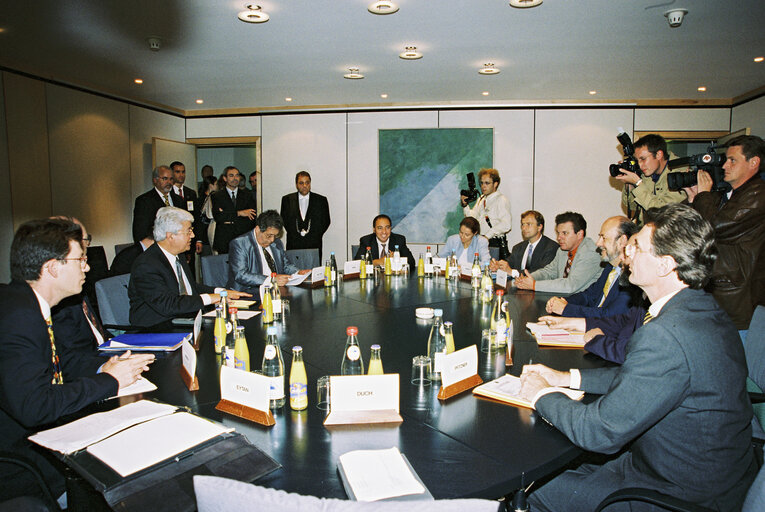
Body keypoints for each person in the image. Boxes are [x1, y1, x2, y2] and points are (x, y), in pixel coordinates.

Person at [520, 203, 756, 511]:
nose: (627, 253)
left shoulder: (666, 334)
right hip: (693, 471)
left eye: (638, 248)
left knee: (524, 488)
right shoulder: (704, 310)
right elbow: (640, 377)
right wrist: (567, 378)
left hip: (675, 493)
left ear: (665, 265)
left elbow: (598, 432)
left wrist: (541, 393)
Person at [0, 218, 154, 502]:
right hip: (23, 462)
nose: (87, 266)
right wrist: (109, 381)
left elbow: (58, 366)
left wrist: (107, 368)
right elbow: (35, 407)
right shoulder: (19, 318)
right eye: (79, 259)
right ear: (52, 268)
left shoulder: (26, 304)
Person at [687, 134, 765, 338]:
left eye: (733, 160)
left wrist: (704, 195)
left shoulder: (758, 195)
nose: (724, 166)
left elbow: (715, 226)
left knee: (741, 364)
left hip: (740, 297)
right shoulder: (731, 194)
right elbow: (697, 229)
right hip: (723, 289)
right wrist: (695, 198)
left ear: (754, 162)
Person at [128, 207, 250, 327]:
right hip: (156, 328)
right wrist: (210, 298)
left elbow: (189, 287)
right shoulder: (146, 265)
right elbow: (168, 305)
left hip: (184, 320)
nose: (193, 236)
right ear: (170, 236)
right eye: (188, 231)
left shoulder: (178, 255)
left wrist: (221, 292)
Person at [544, 216, 638, 318]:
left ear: (622, 241)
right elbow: (589, 295)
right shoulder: (610, 268)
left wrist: (566, 309)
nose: (598, 243)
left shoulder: (631, 276)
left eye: (603, 238)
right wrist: (563, 301)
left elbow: (610, 315)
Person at [514, 211, 601, 294]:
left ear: (579, 234)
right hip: (564, 299)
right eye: (558, 233)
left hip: (585, 304)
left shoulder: (591, 253)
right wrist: (527, 279)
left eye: (564, 233)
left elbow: (570, 286)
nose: (559, 237)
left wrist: (533, 285)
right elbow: (549, 272)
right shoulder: (563, 250)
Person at [228, 210, 311, 293]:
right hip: (248, 292)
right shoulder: (240, 244)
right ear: (257, 229)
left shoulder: (277, 243)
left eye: (275, 235)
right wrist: (271, 280)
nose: (272, 240)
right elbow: (241, 275)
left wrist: (298, 272)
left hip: (275, 291)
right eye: (269, 235)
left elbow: (285, 265)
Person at [616, 133, 687, 226]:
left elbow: (660, 212)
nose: (640, 165)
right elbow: (633, 206)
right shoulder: (647, 173)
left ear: (658, 154)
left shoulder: (681, 173)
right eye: (637, 161)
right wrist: (630, 184)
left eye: (643, 159)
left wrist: (638, 183)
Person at [461, 168, 512, 259]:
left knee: (491, 270)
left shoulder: (501, 199)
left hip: (494, 243)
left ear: (495, 184)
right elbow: (472, 219)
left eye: (487, 183)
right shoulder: (482, 199)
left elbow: (506, 224)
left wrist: (487, 236)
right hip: (481, 242)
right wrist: (465, 205)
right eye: (482, 183)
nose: (483, 186)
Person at [280, 171, 331, 260]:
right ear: (296, 184)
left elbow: (326, 221)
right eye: (301, 183)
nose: (304, 186)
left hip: (314, 244)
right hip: (293, 244)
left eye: (307, 183)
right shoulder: (287, 200)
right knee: (294, 271)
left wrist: (315, 235)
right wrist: (296, 234)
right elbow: (284, 220)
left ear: (310, 183)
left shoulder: (321, 200)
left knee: (314, 271)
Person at [489, 210, 558, 275]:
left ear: (539, 227)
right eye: (522, 224)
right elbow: (509, 264)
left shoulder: (551, 247)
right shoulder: (518, 247)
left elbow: (542, 273)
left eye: (528, 224)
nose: (524, 228)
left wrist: (512, 272)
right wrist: (498, 266)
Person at [210, 166, 257, 254]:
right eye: (231, 175)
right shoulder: (217, 196)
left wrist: (228, 217)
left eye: (237, 175)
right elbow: (218, 217)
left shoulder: (247, 195)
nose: (235, 178)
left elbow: (251, 218)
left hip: (243, 239)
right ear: (225, 178)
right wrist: (239, 213)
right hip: (224, 240)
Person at [132, 165, 183, 243]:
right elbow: (140, 232)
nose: (169, 182)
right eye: (165, 179)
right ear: (155, 180)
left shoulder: (178, 200)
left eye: (171, 179)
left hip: (177, 246)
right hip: (156, 247)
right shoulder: (144, 201)